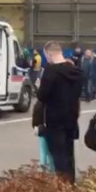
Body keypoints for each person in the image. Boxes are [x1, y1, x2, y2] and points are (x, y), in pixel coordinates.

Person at [38, 41, 83, 184]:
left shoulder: (50, 72)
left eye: (46, 56)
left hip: (54, 120)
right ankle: (71, 185)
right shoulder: (77, 72)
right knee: (69, 155)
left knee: (58, 156)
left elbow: (43, 96)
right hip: (71, 118)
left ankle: (62, 190)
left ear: (50, 54)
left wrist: (39, 86)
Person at [32, 99, 54, 172]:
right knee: (51, 152)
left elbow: (35, 116)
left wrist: (35, 126)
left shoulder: (39, 103)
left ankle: (43, 168)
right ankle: (52, 169)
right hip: (51, 129)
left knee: (43, 150)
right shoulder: (53, 102)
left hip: (41, 129)